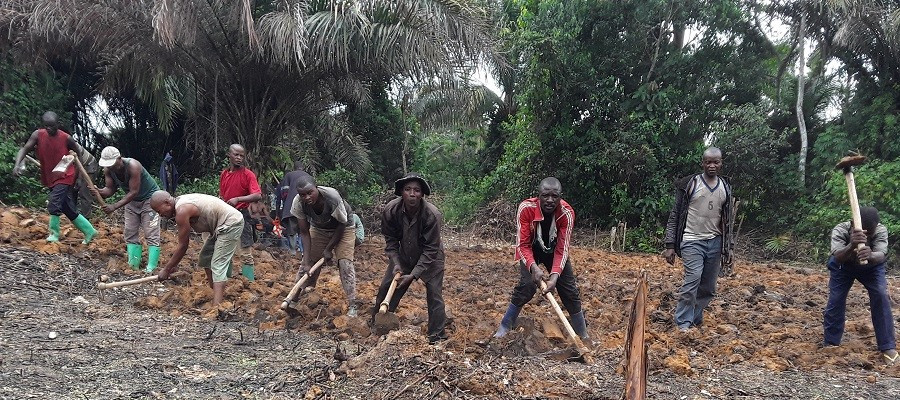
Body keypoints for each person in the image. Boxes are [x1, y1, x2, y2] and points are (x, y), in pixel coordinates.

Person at [493, 177, 590, 341]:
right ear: (539, 196)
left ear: (560, 197)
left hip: (554, 251)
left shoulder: (566, 213)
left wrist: (554, 277)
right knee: (527, 286)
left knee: (569, 291)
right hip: (531, 249)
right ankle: (505, 325)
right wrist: (534, 267)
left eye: (555, 196)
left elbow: (562, 249)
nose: (550, 200)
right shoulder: (526, 208)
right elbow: (522, 245)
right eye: (545, 196)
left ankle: (582, 334)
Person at [663, 147, 734, 332]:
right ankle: (683, 322)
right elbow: (675, 215)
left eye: (716, 162)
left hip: (715, 241)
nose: (712, 166)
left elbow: (728, 221)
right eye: (708, 162)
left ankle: (695, 317)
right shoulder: (690, 184)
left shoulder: (725, 187)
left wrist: (729, 248)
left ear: (721, 163)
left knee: (708, 287)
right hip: (692, 240)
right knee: (693, 278)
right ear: (702, 163)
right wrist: (670, 244)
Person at [373, 173, 446, 343]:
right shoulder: (391, 210)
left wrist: (413, 275)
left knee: (434, 295)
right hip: (404, 255)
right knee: (386, 289)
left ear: (422, 194)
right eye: (408, 190)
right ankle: (378, 326)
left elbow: (431, 249)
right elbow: (390, 241)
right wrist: (397, 264)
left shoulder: (432, 215)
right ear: (401, 193)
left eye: (417, 190)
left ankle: (437, 336)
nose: (412, 194)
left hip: (432, 259)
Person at [823, 207, 897, 364]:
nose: (868, 235)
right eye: (865, 232)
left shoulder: (880, 230)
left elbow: (881, 255)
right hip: (844, 267)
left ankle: (887, 346)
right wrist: (852, 245)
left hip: (871, 268)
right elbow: (838, 256)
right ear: (852, 224)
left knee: (881, 296)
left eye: (870, 232)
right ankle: (831, 342)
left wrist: (870, 255)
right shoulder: (841, 229)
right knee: (836, 299)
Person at [13, 111, 97, 244]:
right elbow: (25, 149)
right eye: (46, 126)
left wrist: (79, 177)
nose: (49, 129)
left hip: (65, 174)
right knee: (66, 208)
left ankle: (54, 234)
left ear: (58, 124)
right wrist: (17, 164)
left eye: (52, 126)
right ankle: (89, 231)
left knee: (54, 202)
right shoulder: (38, 135)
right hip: (51, 176)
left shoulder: (66, 138)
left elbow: (79, 155)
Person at [149, 191, 243, 306]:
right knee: (205, 258)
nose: (160, 215)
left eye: (159, 211)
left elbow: (183, 245)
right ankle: (216, 292)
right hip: (219, 227)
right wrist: (173, 265)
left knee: (218, 265)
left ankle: (217, 307)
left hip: (230, 223)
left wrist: (167, 269)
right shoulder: (179, 204)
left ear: (167, 203)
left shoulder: (182, 211)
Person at [290, 175, 359, 317]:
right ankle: (295, 298)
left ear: (316, 188)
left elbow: (342, 224)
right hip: (319, 228)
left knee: (345, 263)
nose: (307, 197)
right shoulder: (298, 202)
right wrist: (307, 260)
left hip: (344, 227)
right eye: (303, 195)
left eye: (310, 192)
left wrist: (328, 249)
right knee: (307, 265)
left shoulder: (332, 197)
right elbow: (304, 232)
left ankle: (353, 304)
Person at [91, 146, 162, 272]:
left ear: (119, 158)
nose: (111, 167)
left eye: (113, 164)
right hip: (132, 202)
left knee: (150, 232)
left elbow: (133, 192)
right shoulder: (108, 170)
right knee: (130, 231)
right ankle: (133, 264)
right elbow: (110, 190)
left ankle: (151, 267)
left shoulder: (133, 166)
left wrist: (113, 206)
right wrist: (99, 191)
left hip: (150, 200)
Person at [219, 144, 262, 277]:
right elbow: (222, 195)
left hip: (241, 215)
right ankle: (226, 279)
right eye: (236, 155)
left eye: (241, 156)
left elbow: (258, 195)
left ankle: (249, 282)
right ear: (229, 155)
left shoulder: (248, 175)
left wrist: (238, 199)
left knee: (245, 252)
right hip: (225, 215)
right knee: (225, 250)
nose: (239, 158)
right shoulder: (224, 174)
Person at [277, 161, 312, 254]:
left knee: (292, 230)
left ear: (294, 167)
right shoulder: (308, 176)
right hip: (305, 206)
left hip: (291, 206)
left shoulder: (289, 175)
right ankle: (304, 251)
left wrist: (284, 206)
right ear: (303, 168)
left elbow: (284, 193)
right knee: (303, 230)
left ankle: (293, 251)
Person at [72, 141, 99, 218]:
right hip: (75, 166)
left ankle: (86, 218)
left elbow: (80, 162)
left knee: (84, 192)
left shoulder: (70, 143)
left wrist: (79, 178)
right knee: (72, 189)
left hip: (88, 165)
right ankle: (73, 215)